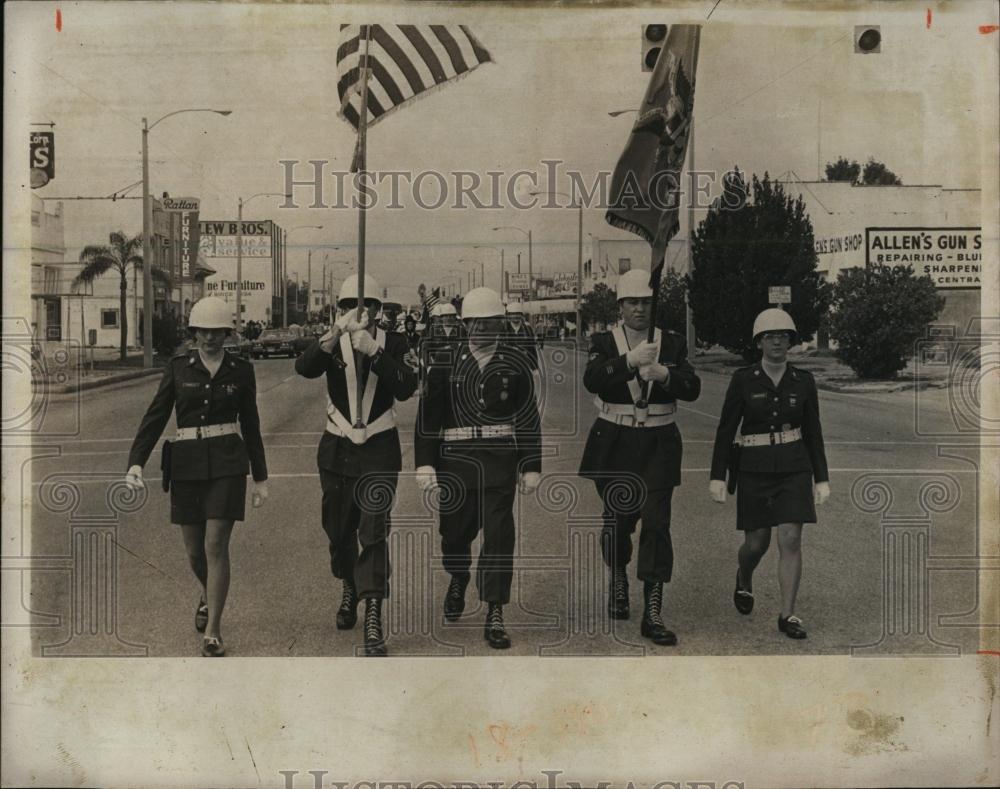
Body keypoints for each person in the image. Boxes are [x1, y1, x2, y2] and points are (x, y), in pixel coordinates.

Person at [124, 296, 269, 657]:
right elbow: (155, 417)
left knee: (215, 544)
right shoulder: (178, 368)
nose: (210, 338)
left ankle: (214, 631)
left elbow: (251, 424)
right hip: (187, 464)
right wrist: (136, 462)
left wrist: (260, 477)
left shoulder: (241, 369)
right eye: (203, 332)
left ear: (227, 334)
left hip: (227, 464)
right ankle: (207, 593)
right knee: (194, 553)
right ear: (194, 333)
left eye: (217, 332)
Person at [295, 274, 417, 656]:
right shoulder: (331, 342)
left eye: (366, 305)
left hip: (378, 447)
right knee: (338, 528)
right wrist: (336, 334)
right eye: (349, 305)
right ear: (340, 308)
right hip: (338, 447)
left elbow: (407, 386)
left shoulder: (394, 342)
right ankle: (349, 584)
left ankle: (373, 610)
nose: (358, 312)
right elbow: (305, 367)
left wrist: (377, 354)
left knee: (374, 530)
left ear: (379, 310)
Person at [578, 269, 701, 646]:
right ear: (620, 306)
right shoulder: (604, 340)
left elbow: (692, 387)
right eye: (632, 302)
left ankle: (652, 609)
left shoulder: (674, 343)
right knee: (618, 523)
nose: (640, 309)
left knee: (657, 524)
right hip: (615, 441)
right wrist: (629, 361)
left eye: (646, 302)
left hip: (659, 442)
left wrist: (664, 374)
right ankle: (618, 574)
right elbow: (594, 379)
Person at [415, 287, 542, 649]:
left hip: (500, 462)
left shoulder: (514, 364)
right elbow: (428, 419)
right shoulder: (443, 362)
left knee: (499, 537)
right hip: (455, 463)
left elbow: (528, 418)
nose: (483, 330)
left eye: (491, 324)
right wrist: (425, 463)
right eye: (476, 324)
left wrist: (531, 464)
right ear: (465, 324)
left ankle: (495, 610)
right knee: (455, 535)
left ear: (501, 325)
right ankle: (458, 577)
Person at [709, 308, 830, 640]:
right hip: (754, 468)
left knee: (790, 538)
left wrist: (821, 478)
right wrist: (717, 475)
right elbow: (725, 430)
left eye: (783, 336)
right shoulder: (743, 380)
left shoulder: (803, 382)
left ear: (790, 341)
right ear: (759, 342)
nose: (777, 341)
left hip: (794, 466)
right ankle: (744, 576)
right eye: (770, 336)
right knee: (756, 543)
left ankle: (788, 614)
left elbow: (813, 431)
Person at [504, 303, 539, 371]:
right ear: (509, 315)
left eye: (518, 313)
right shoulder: (505, 329)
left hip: (524, 364)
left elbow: (532, 349)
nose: (516, 316)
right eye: (513, 314)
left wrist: (534, 367)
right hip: (509, 365)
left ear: (521, 315)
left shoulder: (527, 328)